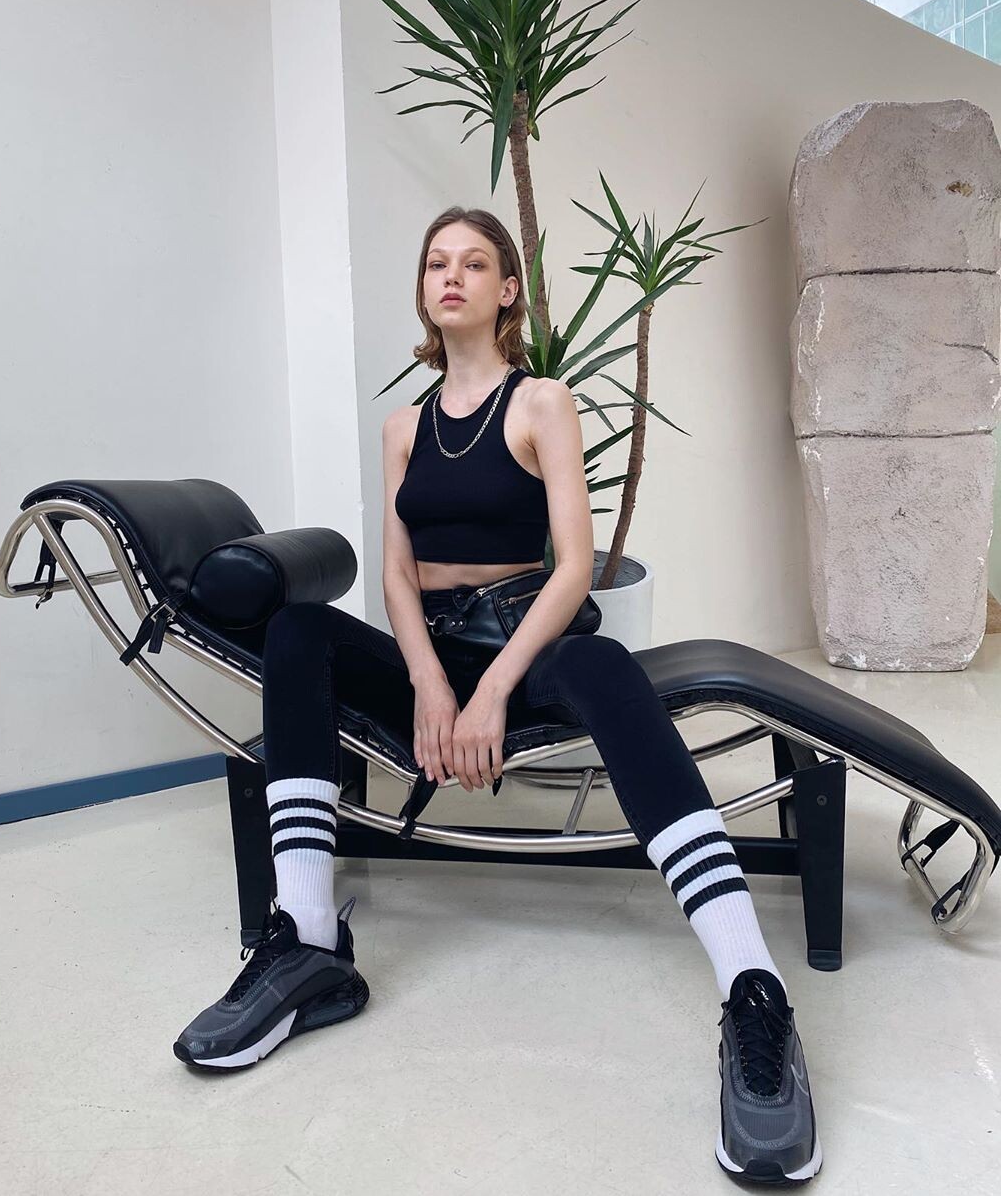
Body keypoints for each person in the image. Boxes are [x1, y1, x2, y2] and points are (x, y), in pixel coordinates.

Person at [173, 206, 822, 1186]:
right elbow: (396, 574)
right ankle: (307, 945)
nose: (452, 275)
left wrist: (488, 697)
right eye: (436, 261)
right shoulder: (401, 427)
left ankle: (753, 989)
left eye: (474, 263)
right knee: (299, 629)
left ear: (508, 290)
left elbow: (575, 566)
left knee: (605, 668)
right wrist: (430, 684)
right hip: (434, 657)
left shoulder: (542, 403)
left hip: (522, 644)